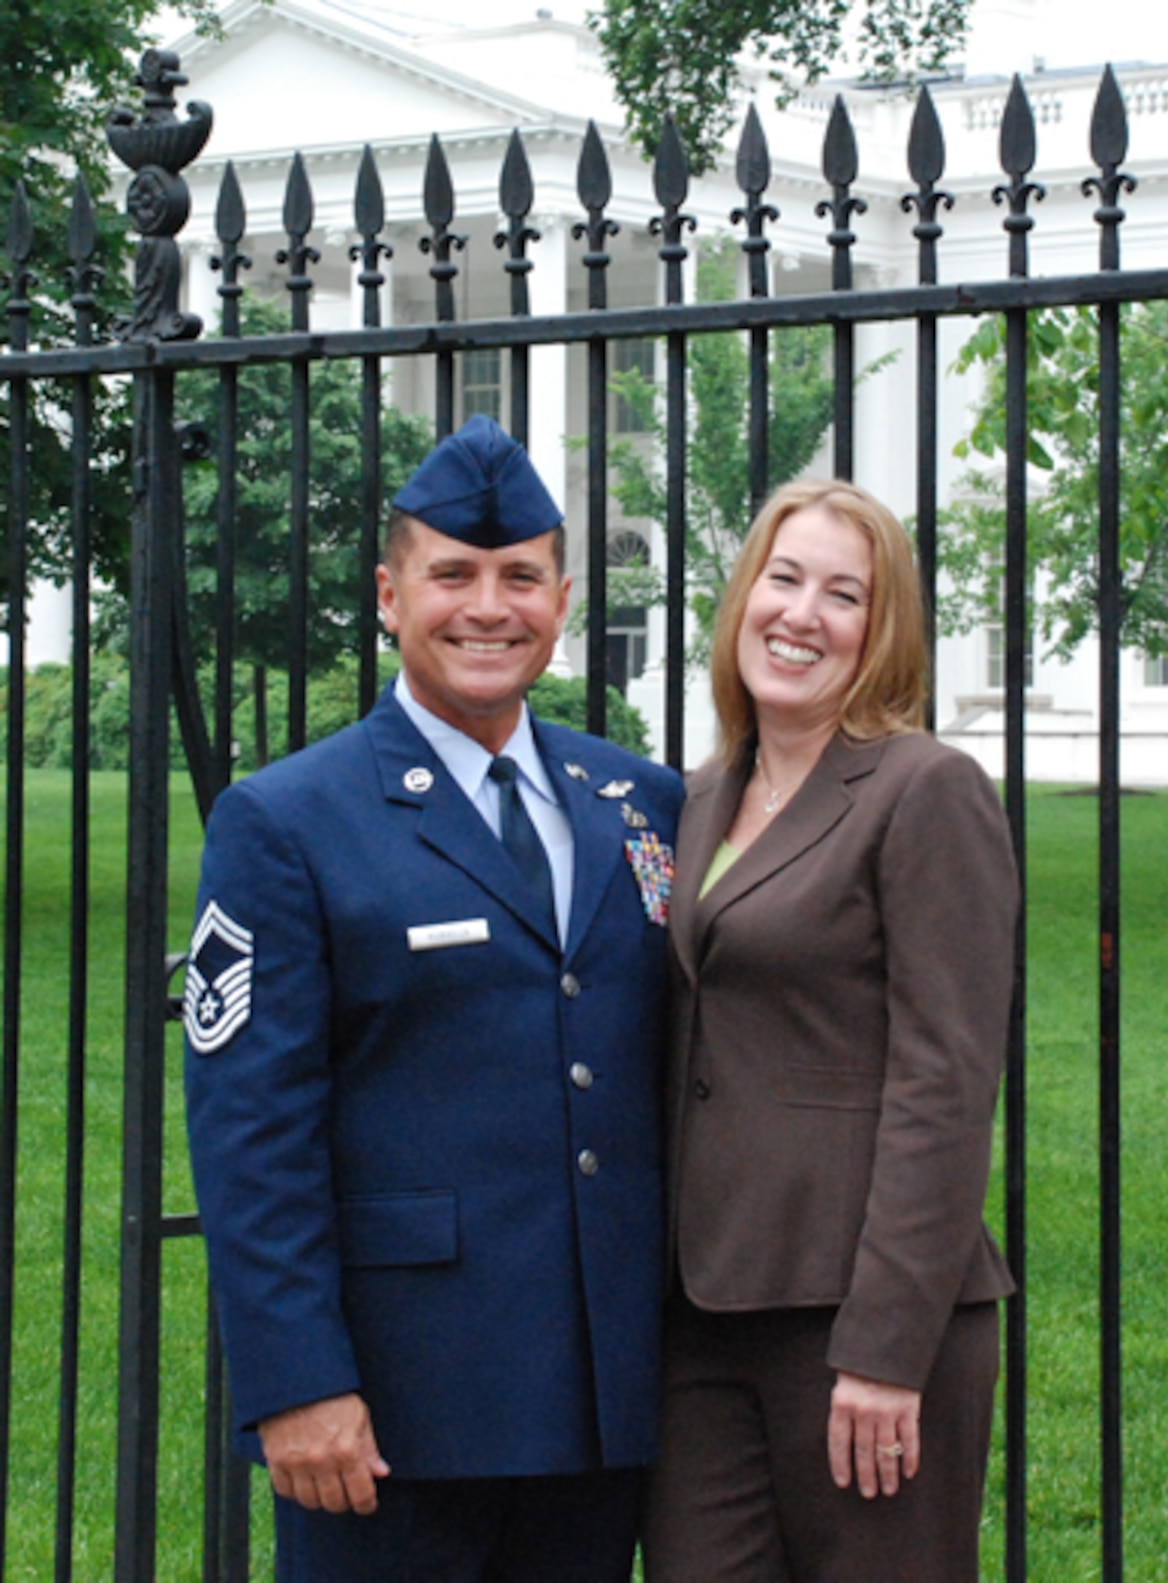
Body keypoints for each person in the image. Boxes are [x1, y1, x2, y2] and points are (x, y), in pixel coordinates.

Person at [182, 414, 685, 1583]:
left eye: (520, 577)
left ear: (561, 600)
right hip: (394, 1410)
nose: (487, 607)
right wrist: (297, 1379)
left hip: (601, 1400)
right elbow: (251, 1129)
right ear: (389, 593)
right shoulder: (289, 819)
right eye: (451, 574)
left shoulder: (637, 798)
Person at [643, 479, 1017, 1581]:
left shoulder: (925, 789)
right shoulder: (703, 795)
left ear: (882, 629)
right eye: (783, 576)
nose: (801, 613)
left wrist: (885, 1347)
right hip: (702, 1311)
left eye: (842, 594)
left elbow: (944, 1081)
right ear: (743, 596)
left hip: (860, 1320)